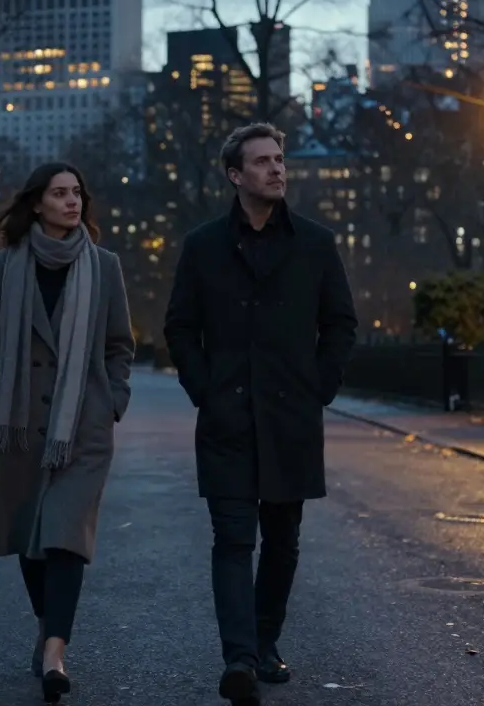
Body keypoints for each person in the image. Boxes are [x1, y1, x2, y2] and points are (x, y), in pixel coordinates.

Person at [163, 123, 358, 706]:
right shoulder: (202, 246)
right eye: (263, 161)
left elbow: (341, 323)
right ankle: (240, 659)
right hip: (227, 418)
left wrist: (318, 386)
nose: (277, 169)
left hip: (291, 418)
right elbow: (179, 326)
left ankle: (265, 641)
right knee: (231, 540)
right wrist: (205, 389)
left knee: (283, 539)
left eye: (280, 159)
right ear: (234, 174)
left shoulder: (315, 244)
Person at [0, 162, 135, 703]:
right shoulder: (3, 267)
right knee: (29, 541)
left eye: (77, 193)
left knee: (64, 537)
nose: (72, 202)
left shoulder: (104, 267)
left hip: (81, 427)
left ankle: (56, 652)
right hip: (17, 428)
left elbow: (119, 347)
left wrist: (114, 402)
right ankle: (45, 628)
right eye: (60, 194)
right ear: (36, 203)